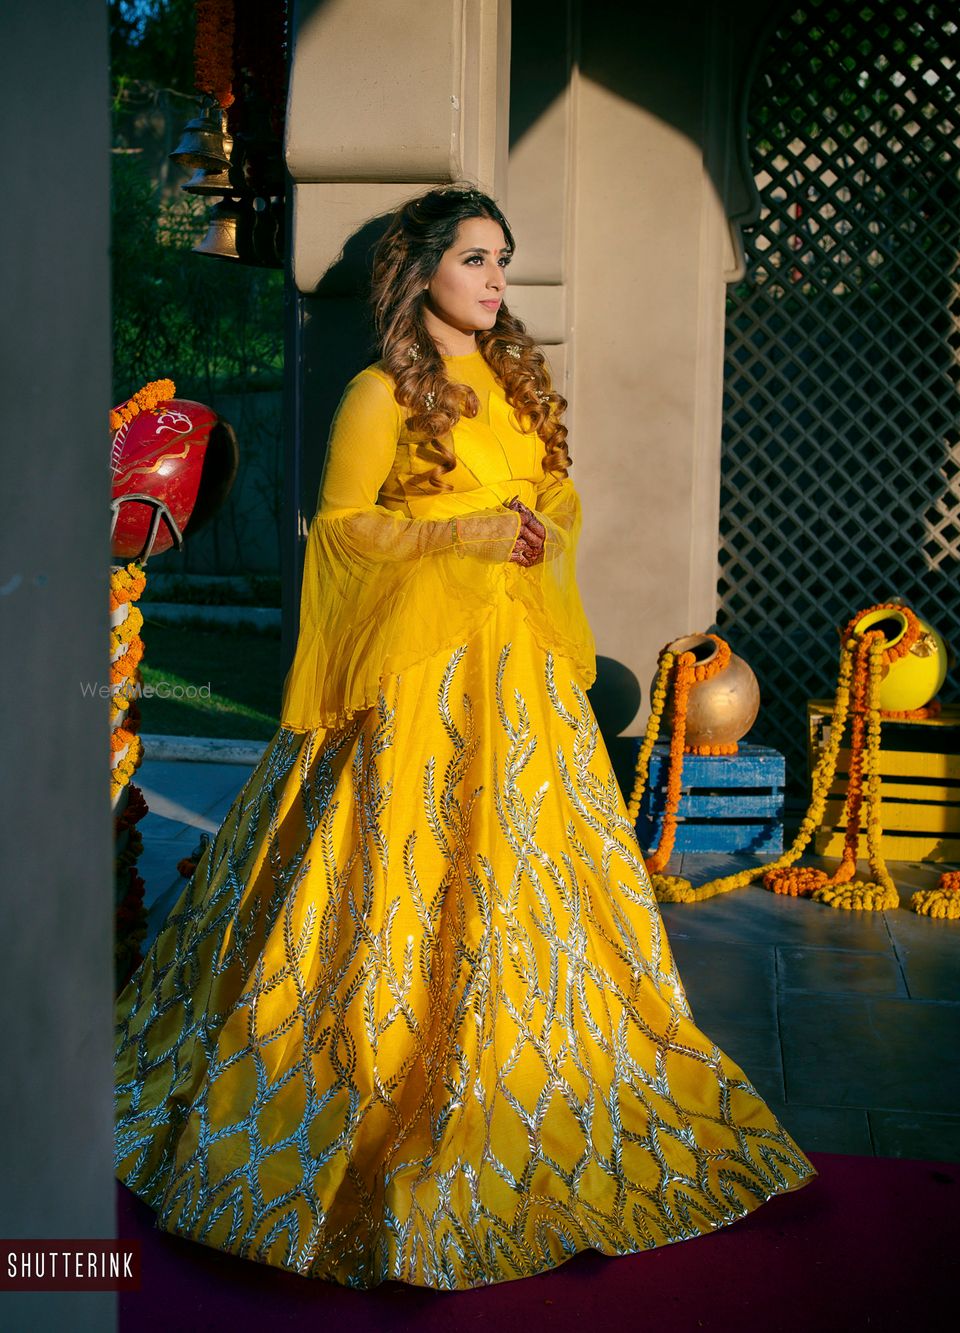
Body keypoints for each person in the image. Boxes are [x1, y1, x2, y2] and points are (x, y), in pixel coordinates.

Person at [114, 185, 815, 1292]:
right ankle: (367, 1074)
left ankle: (544, 1071)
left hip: (518, 673)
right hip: (418, 680)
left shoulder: (512, 380)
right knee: (391, 874)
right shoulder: (377, 393)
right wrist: (467, 529)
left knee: (537, 869)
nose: (495, 279)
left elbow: (550, 496)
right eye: (475, 259)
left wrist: (538, 510)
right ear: (421, 271)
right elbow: (343, 534)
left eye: (503, 260)